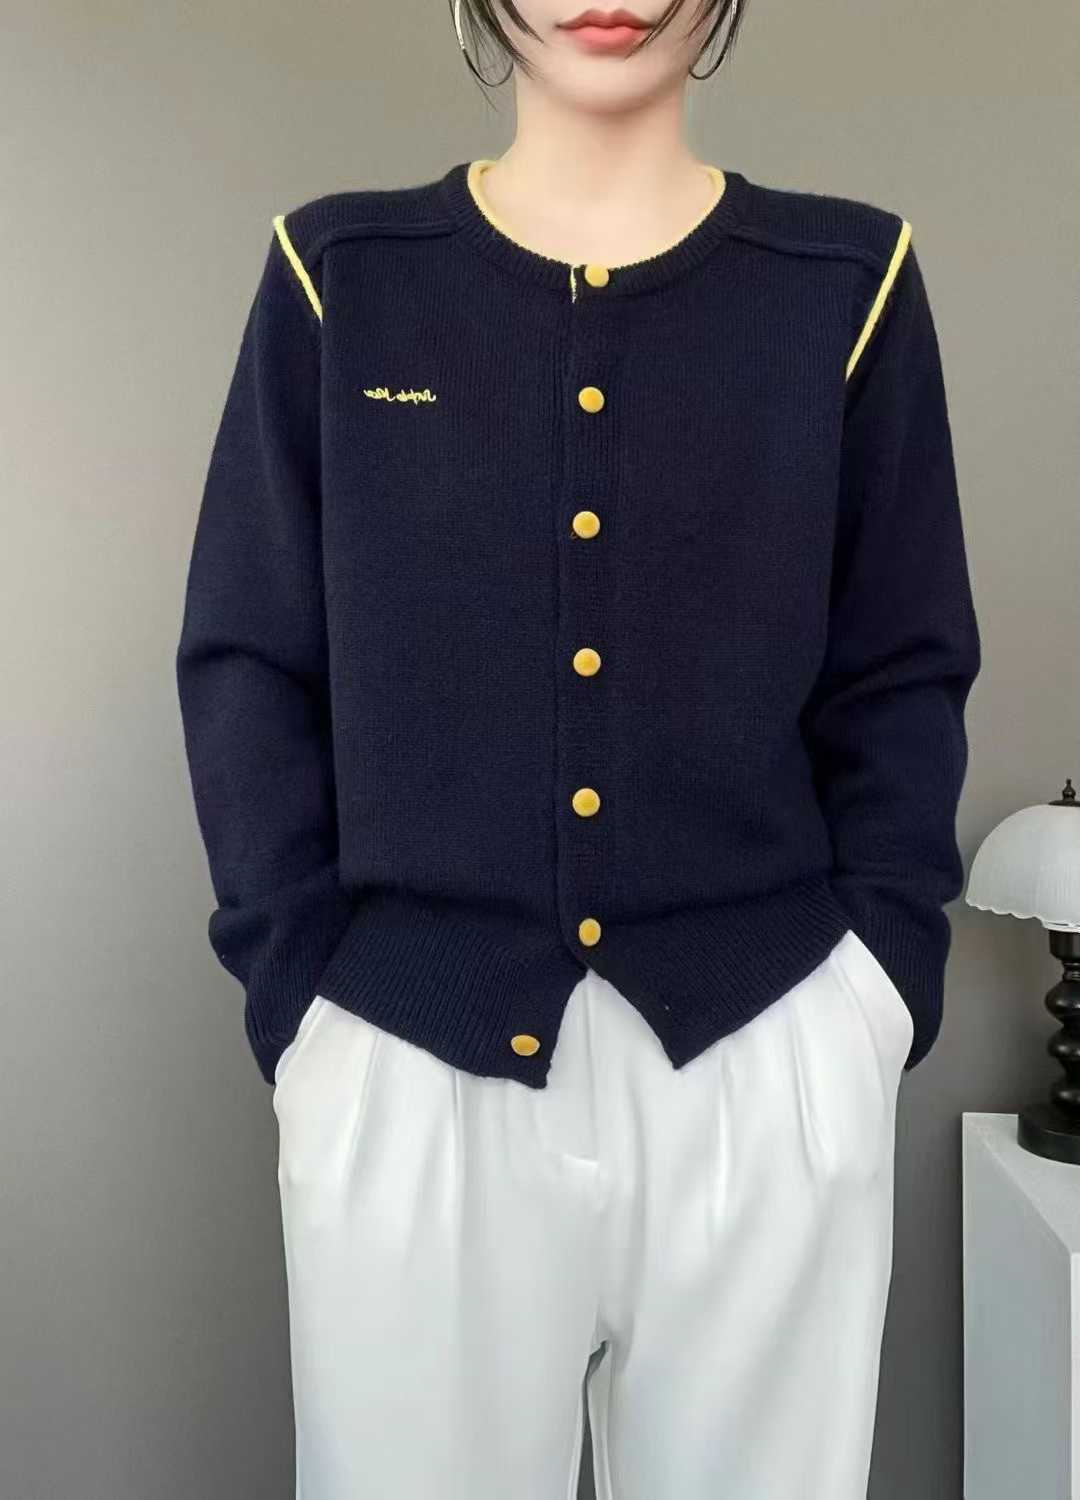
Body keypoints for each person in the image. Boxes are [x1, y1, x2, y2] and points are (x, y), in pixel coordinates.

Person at [174, 1, 981, 1495]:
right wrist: (307, 1009)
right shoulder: (342, 276)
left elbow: (901, 665)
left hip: (767, 1042)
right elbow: (249, 660)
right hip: (409, 1047)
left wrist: (871, 996)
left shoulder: (847, 284)